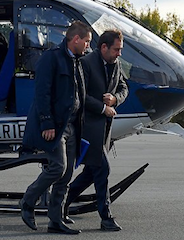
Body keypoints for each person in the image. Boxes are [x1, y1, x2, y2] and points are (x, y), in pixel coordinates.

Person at [19, 21, 92, 235]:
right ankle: (28, 200)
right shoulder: (51, 58)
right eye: (86, 42)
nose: (88, 46)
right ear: (75, 39)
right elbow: (42, 93)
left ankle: (55, 220)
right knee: (58, 167)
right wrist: (47, 122)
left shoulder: (77, 61)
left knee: (67, 173)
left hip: (72, 125)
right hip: (56, 126)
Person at [64, 30, 128, 231]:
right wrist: (103, 108)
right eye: (116, 49)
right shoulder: (86, 63)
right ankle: (106, 217)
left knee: (91, 172)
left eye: (120, 49)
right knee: (103, 168)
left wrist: (115, 99)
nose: (119, 54)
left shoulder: (116, 64)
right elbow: (80, 97)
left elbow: (124, 87)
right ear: (103, 47)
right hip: (88, 128)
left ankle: (61, 203)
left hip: (104, 129)